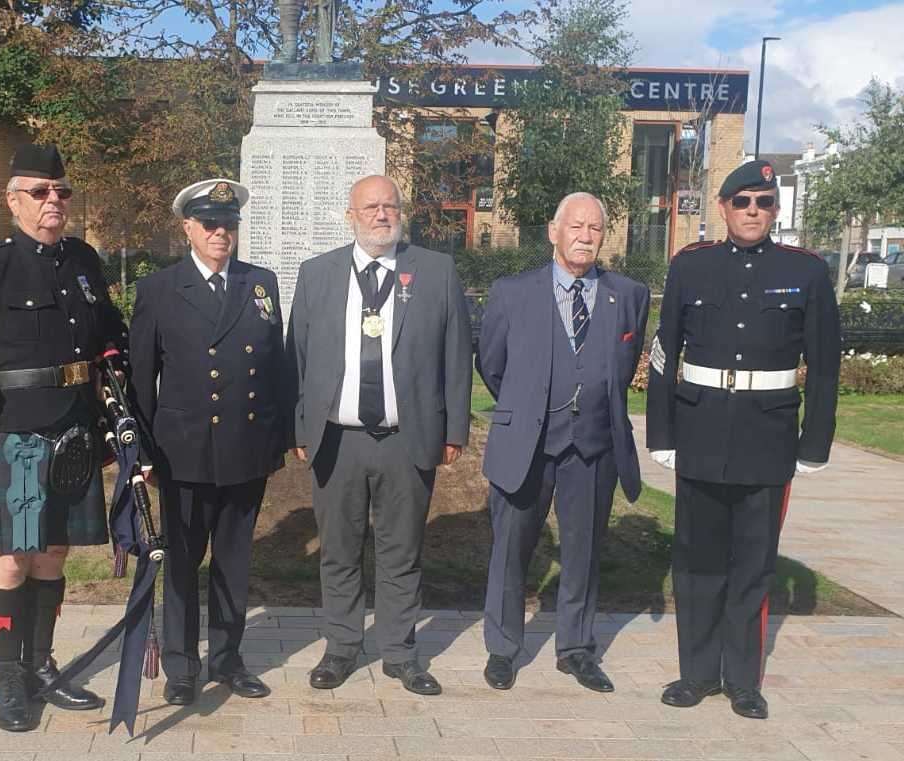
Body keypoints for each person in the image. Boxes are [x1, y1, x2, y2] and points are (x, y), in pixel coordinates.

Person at [0, 144, 122, 731]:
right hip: (15, 428)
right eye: (40, 192)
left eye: (61, 192)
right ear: (13, 200)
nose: (53, 202)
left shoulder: (85, 261)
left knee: (54, 552)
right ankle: (10, 679)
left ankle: (42, 666)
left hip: (73, 425)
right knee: (12, 557)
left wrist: (118, 418)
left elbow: (110, 341)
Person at [645, 160, 841, 719]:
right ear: (724, 207)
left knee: (753, 565)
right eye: (743, 201)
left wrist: (814, 442)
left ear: (776, 210)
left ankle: (744, 682)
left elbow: (825, 365)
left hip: (768, 434)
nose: (753, 211)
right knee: (696, 561)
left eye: (764, 202)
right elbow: (665, 356)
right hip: (701, 428)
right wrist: (662, 431)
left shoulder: (805, 271)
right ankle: (697, 674)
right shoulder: (691, 266)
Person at [286, 175, 473, 696]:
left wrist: (453, 427)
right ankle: (341, 647)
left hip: (406, 436)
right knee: (339, 549)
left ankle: (400, 651)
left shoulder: (435, 271)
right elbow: (296, 358)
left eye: (390, 206)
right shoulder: (317, 274)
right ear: (351, 214)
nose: (381, 215)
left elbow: (458, 355)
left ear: (401, 213)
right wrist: (300, 426)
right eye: (370, 207)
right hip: (337, 438)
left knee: (401, 549)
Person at [476, 192, 650, 693]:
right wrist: (528, 406)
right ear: (553, 232)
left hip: (593, 447)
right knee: (511, 549)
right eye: (575, 226)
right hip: (525, 446)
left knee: (584, 552)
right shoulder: (512, 292)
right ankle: (503, 648)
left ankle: (575, 648)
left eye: (595, 227)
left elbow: (625, 361)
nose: (585, 235)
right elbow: (492, 364)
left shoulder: (628, 295)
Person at [128, 178, 289, 706]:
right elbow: (141, 379)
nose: (222, 233)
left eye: (230, 224)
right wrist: (144, 453)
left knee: (234, 562)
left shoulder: (259, 283)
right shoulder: (159, 289)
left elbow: (276, 368)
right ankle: (181, 666)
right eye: (210, 224)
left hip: (245, 447)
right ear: (187, 229)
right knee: (181, 562)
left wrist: (278, 437)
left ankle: (227, 658)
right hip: (184, 452)